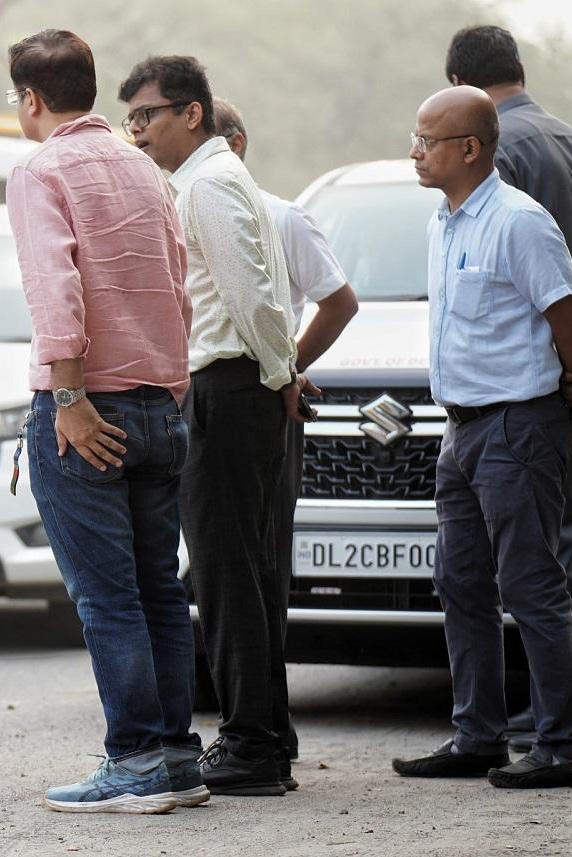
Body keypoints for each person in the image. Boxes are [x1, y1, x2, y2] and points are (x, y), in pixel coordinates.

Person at [2, 30, 200, 815]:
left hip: (90, 406)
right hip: (160, 402)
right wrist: (172, 392)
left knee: (109, 597)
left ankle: (134, 762)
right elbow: (178, 285)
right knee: (158, 588)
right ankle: (177, 758)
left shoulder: (40, 169)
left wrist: (69, 397)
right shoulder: (143, 167)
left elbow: (56, 289)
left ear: (31, 99)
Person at [392, 86, 572, 789]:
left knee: (532, 584)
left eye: (427, 140)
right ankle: (476, 735)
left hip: (519, 425)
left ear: (469, 149)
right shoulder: (442, 224)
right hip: (463, 429)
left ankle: (564, 743)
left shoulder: (518, 222)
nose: (414, 151)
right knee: (460, 581)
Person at [120, 55, 307, 797]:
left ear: (190, 113)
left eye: (147, 116)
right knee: (248, 572)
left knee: (229, 577)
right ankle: (268, 737)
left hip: (229, 388)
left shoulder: (206, 184)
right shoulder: (213, 180)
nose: (136, 133)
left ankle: (250, 745)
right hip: (237, 386)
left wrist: (278, 372)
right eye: (129, 118)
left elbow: (255, 295)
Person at [445, 24, 572, 755]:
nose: (419, 150)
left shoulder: (509, 163)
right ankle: (495, 729)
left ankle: (564, 728)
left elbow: (553, 300)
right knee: (522, 563)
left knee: (540, 569)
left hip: (536, 401)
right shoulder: (570, 140)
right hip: (507, 406)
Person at [212, 98, 361, 766]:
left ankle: (265, 735)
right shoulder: (184, 205)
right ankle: (267, 729)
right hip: (220, 401)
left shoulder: (278, 213)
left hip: (267, 402)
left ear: (235, 144)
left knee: (262, 570)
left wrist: (291, 366)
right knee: (233, 574)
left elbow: (339, 299)